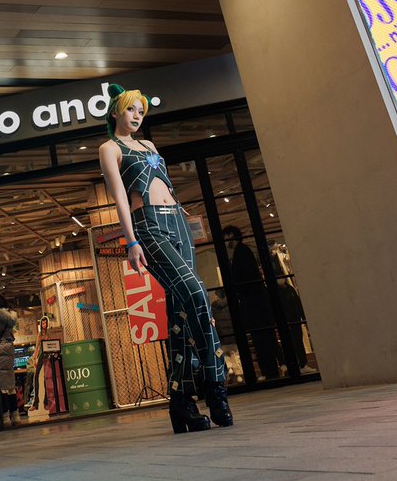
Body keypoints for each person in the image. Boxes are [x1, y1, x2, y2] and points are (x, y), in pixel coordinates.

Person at [98, 84, 231, 433]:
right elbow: (120, 198)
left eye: (141, 110)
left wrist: (183, 218)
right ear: (115, 112)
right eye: (130, 109)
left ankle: (181, 400)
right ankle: (215, 383)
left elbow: (166, 185)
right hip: (148, 225)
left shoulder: (150, 146)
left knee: (181, 312)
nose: (137, 115)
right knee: (197, 294)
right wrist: (131, 241)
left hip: (178, 224)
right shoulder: (110, 148)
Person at [223, 225, 282, 380]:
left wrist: (239, 291)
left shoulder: (241, 252)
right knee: (264, 336)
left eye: (225, 237)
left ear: (231, 235)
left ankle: (269, 370)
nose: (225, 241)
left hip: (253, 303)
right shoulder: (243, 251)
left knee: (261, 337)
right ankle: (273, 368)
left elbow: (245, 277)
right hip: (256, 302)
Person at [0, 292, 20, 425]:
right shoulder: (11, 316)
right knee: (10, 385)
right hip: (9, 348)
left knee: (2, 386)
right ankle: (16, 415)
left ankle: (5, 417)